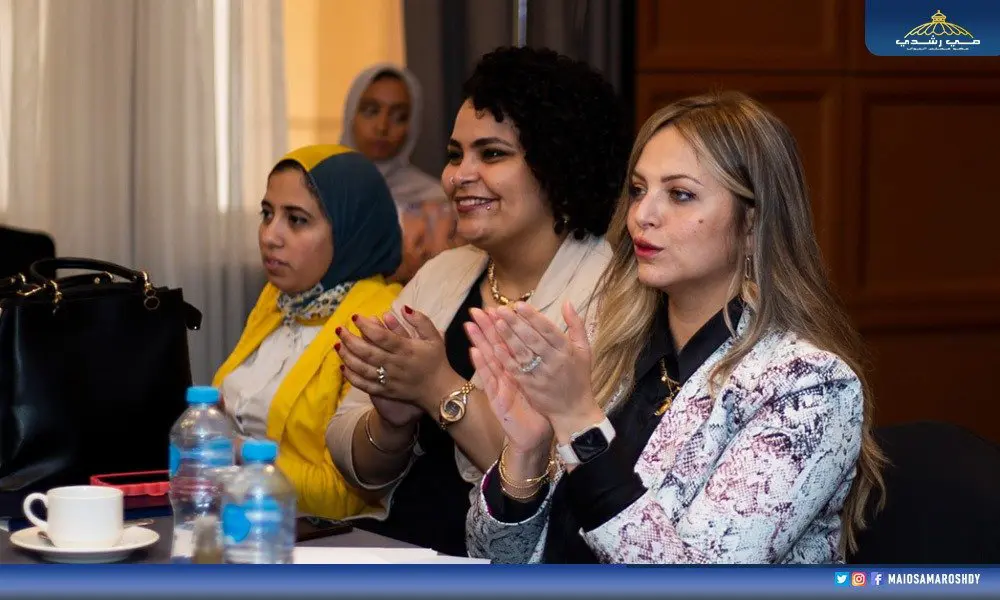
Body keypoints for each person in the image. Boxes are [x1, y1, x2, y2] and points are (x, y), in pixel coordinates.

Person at [465, 91, 887, 564]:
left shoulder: (807, 385)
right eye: (638, 190)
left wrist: (580, 423)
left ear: (752, 225)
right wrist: (525, 452)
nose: (642, 215)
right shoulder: (607, 341)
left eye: (680, 194)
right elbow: (492, 559)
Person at [325, 47, 632, 556]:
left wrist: (438, 387)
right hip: (401, 546)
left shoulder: (611, 295)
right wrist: (393, 423)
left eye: (490, 155)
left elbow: (563, 489)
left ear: (557, 165)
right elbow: (351, 457)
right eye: (454, 155)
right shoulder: (443, 274)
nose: (457, 176)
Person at [213, 144, 402, 519]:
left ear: (350, 229)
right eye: (267, 214)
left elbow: (345, 496)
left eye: (297, 220)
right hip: (243, 515)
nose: (270, 236)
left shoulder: (378, 323)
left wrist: (235, 454)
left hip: (325, 538)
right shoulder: (282, 298)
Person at [341, 63, 458, 284]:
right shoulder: (322, 190)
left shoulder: (437, 201)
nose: (382, 126)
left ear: (412, 126)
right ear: (351, 114)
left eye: (399, 116)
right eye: (371, 111)